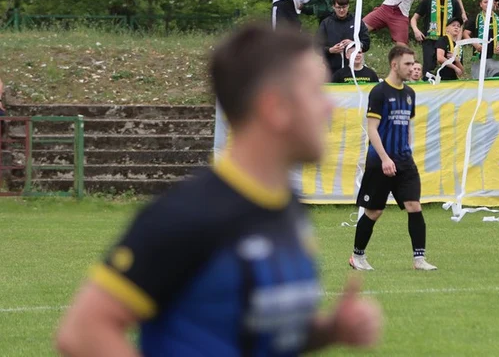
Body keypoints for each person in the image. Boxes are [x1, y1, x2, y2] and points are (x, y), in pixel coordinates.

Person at [55, 25, 382, 356]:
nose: (330, 108)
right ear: (274, 108)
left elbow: (254, 333)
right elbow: (83, 332)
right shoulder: (188, 214)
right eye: (315, 92)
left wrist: (330, 331)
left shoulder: (286, 206)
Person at [350, 45, 437, 272]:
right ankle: (357, 256)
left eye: (412, 63)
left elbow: (406, 126)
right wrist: (385, 158)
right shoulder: (379, 92)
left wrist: (404, 152)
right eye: (407, 64)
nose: (411, 68)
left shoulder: (410, 94)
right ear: (394, 64)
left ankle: (419, 259)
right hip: (380, 161)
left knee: (414, 205)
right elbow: (372, 129)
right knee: (374, 211)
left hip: (404, 160)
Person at [411, 0, 458, 76]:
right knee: (428, 69)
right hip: (430, 40)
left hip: (447, 41)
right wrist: (416, 30)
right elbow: (414, 18)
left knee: (447, 69)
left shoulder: (454, 3)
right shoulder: (428, 0)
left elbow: (459, 24)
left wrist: (457, 41)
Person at [318, 0, 370, 75]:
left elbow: (366, 44)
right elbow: (317, 47)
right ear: (333, 7)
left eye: (344, 7)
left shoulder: (357, 22)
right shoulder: (326, 23)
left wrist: (353, 43)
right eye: (339, 7)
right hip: (331, 69)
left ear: (348, 6)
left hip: (354, 69)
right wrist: (330, 50)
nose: (341, 10)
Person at [468, 0, 499, 79]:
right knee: (478, 82)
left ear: (494, 4)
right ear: (481, 4)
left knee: (495, 81)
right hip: (479, 56)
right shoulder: (476, 18)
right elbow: (465, 33)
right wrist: (475, 44)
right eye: (485, 2)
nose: (488, 4)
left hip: (495, 56)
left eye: (490, 2)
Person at [434, 17, 466, 82]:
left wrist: (457, 60)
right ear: (447, 29)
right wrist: (455, 67)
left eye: (458, 26)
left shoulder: (458, 46)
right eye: (453, 25)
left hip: (453, 79)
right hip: (441, 77)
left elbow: (462, 72)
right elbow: (440, 58)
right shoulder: (443, 40)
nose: (456, 27)